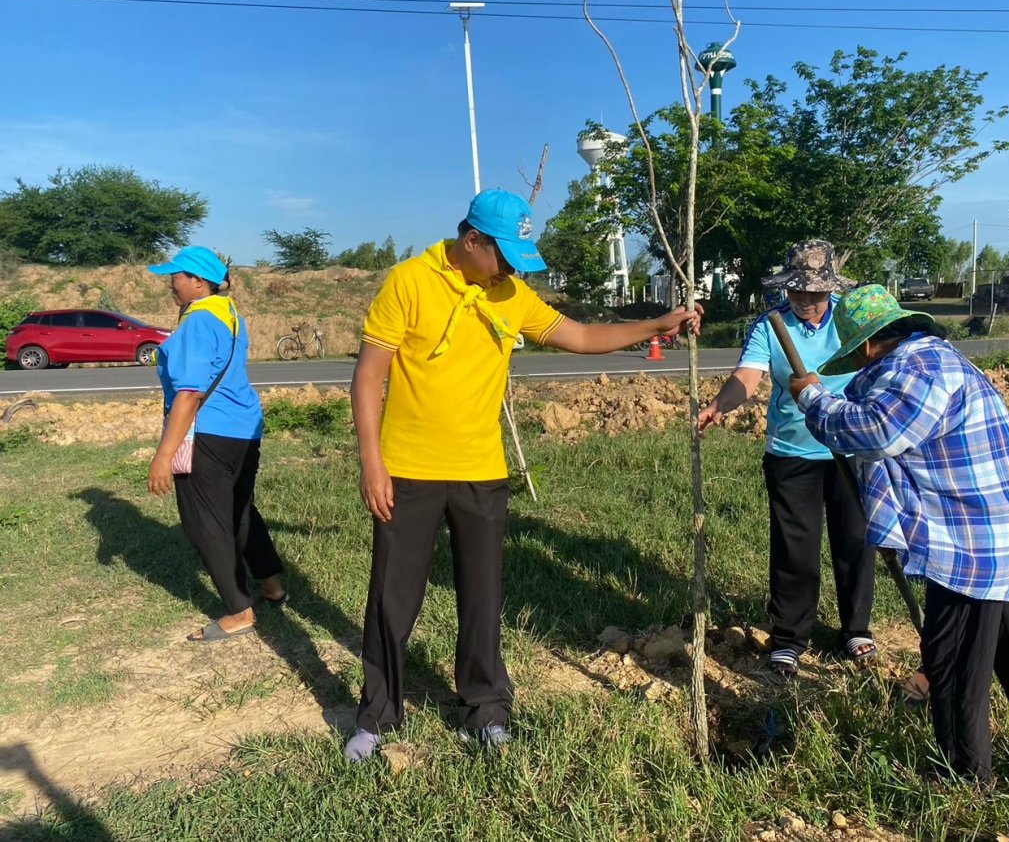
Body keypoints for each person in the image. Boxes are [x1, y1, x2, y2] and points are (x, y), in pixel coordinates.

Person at [344, 189, 702, 763]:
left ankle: (486, 709)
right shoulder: (409, 281)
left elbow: (582, 337)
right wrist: (372, 462)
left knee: (483, 599)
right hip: (408, 470)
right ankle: (377, 715)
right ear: (472, 241)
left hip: (482, 472)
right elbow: (368, 376)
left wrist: (658, 323)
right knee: (392, 599)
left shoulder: (512, 293)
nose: (511, 267)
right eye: (503, 255)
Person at [789, 284, 1009, 785]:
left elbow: (877, 431)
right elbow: (872, 405)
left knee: (952, 657)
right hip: (1008, 529)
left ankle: (966, 774)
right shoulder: (935, 357)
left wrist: (812, 398)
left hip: (977, 543)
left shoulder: (917, 369)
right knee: (1007, 641)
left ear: (870, 345)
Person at [698, 240, 875, 676]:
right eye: (797, 291)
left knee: (854, 540)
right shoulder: (771, 324)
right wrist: (722, 403)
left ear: (831, 289)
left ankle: (855, 628)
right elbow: (748, 376)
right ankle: (790, 638)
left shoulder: (852, 322)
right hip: (793, 452)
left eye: (815, 293)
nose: (805, 301)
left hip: (851, 448)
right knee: (795, 547)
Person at [146, 245, 286, 642]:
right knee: (240, 510)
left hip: (207, 433)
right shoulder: (229, 313)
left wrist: (163, 457)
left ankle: (239, 611)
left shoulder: (196, 324)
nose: (170, 283)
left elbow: (189, 395)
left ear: (197, 280)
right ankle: (272, 584)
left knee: (207, 523)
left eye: (175, 277)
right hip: (244, 428)